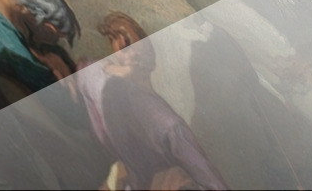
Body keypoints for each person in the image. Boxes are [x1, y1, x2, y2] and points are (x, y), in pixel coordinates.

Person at [75, 13, 227, 191]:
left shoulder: (167, 124)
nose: (122, 47)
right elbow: (86, 72)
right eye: (116, 41)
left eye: (127, 42)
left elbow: (211, 182)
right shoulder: (114, 94)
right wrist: (118, 70)